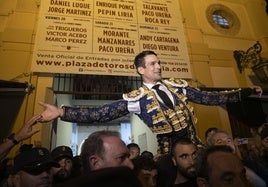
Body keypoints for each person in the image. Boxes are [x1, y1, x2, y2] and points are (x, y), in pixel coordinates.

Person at [38, 50, 263, 154]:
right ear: (141, 70)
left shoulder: (178, 86)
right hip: (169, 157)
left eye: (159, 63)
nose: (159, 67)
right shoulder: (137, 99)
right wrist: (61, 112)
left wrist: (244, 92)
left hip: (197, 150)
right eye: (153, 63)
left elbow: (211, 98)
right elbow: (102, 113)